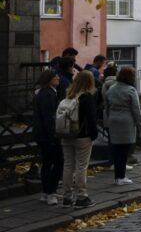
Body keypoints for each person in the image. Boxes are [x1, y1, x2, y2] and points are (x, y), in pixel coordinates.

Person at [60, 70, 98, 208]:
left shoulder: (69, 95)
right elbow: (91, 119)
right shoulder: (87, 97)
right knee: (81, 166)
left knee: (68, 165)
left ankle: (67, 197)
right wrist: (94, 135)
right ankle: (81, 197)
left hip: (66, 134)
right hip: (82, 136)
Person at [105, 67, 141, 185]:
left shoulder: (111, 89)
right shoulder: (130, 90)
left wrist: (109, 118)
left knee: (117, 149)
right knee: (124, 150)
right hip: (126, 122)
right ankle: (121, 176)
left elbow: (106, 106)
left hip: (113, 120)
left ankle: (118, 176)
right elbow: (136, 110)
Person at [32, 69, 63, 205]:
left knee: (47, 162)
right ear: (49, 79)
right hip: (48, 135)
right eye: (55, 77)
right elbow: (49, 117)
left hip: (42, 134)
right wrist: (54, 135)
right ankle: (51, 192)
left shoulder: (43, 93)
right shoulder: (48, 94)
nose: (58, 78)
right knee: (57, 163)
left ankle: (46, 192)